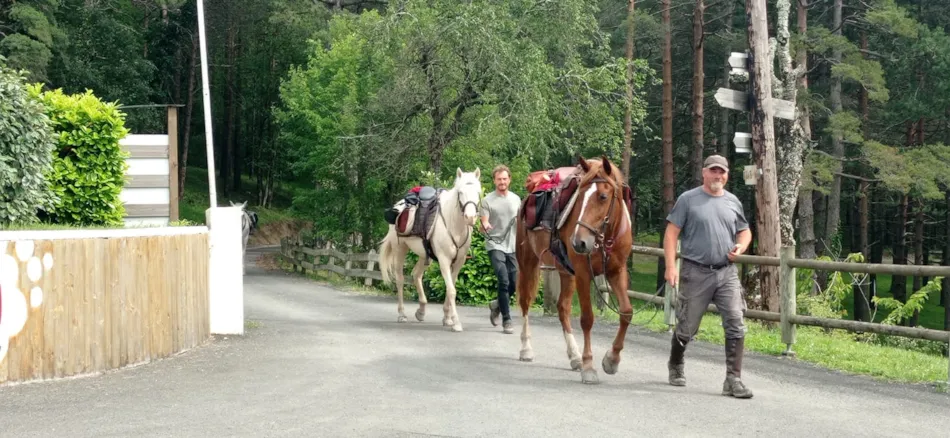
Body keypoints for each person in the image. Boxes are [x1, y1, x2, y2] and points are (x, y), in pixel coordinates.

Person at [663, 154, 754, 399]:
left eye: (722, 172)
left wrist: (741, 246)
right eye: (713, 171)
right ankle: (676, 363)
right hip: (696, 271)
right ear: (704, 173)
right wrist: (671, 266)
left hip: (726, 272)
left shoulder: (733, 201)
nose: (718, 176)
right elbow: (671, 233)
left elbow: (745, 231)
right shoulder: (688, 200)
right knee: (687, 327)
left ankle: (733, 379)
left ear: (727, 175)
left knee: (736, 322)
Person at [480, 165, 521, 334]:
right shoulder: (487, 200)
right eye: (499, 179)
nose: (502, 182)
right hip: (495, 244)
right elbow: (483, 223)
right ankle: (507, 319)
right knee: (503, 280)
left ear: (509, 180)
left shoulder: (516, 199)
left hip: (513, 245)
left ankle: (496, 304)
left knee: (515, 283)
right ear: (494, 181)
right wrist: (485, 225)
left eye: (505, 179)